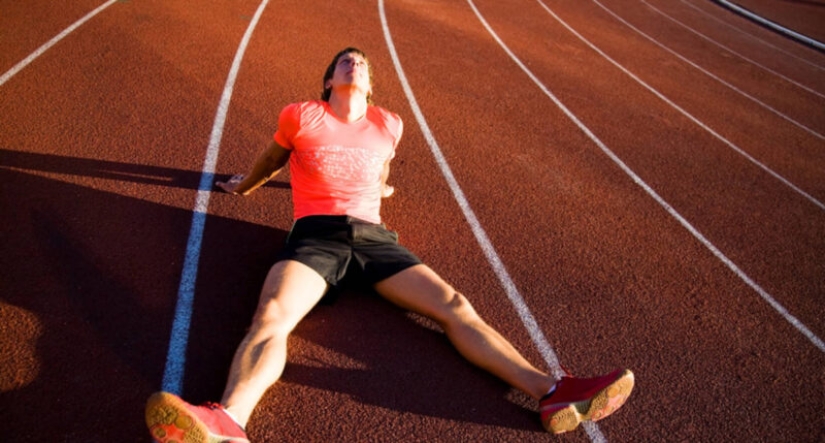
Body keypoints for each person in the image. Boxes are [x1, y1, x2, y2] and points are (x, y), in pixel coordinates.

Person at [144, 47, 634, 442]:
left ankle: (552, 392)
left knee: (454, 306)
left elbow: (381, 167)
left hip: (375, 240)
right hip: (317, 236)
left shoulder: (389, 124)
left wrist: (379, 188)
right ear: (329, 80)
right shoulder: (302, 115)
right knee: (273, 315)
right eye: (344, 60)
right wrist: (245, 186)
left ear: (371, 85)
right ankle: (230, 422)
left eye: (362, 62)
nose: (354, 62)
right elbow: (273, 158)